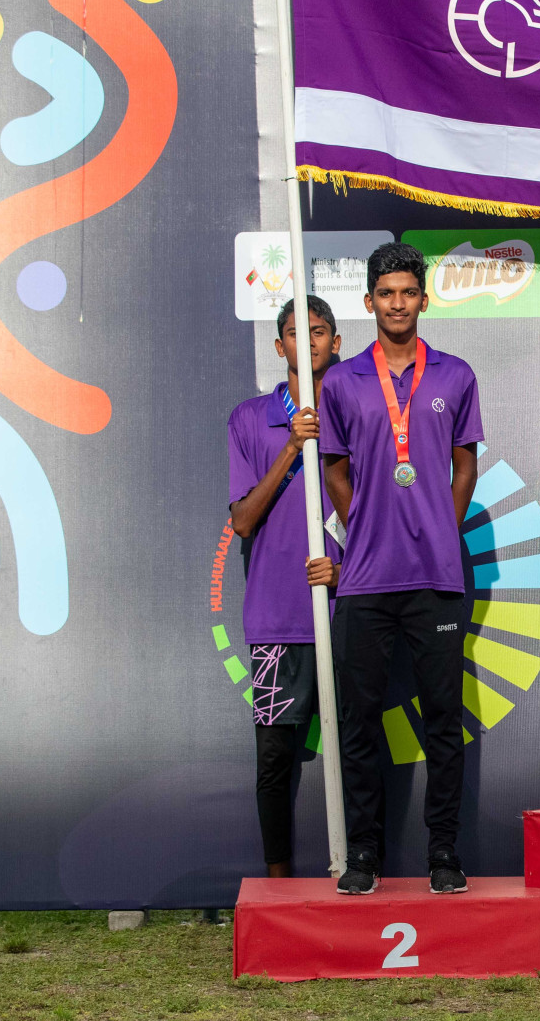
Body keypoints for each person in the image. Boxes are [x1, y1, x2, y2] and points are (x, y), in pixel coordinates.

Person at [321, 242, 484, 895]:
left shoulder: (455, 375)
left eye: (407, 292)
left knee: (443, 722)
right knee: (360, 724)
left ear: (423, 298)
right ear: (370, 302)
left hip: (438, 579)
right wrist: (360, 518)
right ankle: (363, 857)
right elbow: (334, 464)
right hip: (364, 577)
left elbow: (466, 460)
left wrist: (443, 520)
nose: (396, 303)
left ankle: (444, 854)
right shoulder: (342, 382)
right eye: (384, 293)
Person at [227, 295, 344, 878]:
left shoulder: (358, 413)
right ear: (281, 347)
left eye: (320, 331)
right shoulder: (251, 419)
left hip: (349, 612)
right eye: (297, 333)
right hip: (279, 620)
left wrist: (344, 572)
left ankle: (361, 865)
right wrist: (293, 446)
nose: (310, 342)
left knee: (358, 751)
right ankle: (278, 882)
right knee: (275, 759)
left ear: (336, 342)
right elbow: (243, 520)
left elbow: (376, 517)